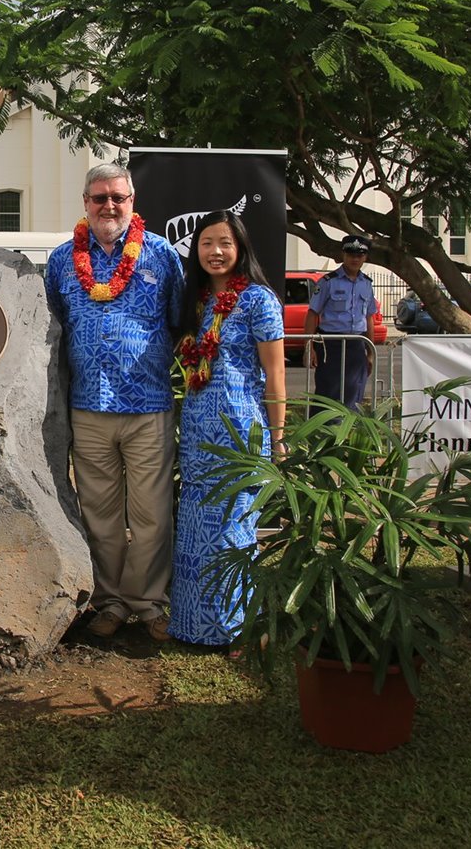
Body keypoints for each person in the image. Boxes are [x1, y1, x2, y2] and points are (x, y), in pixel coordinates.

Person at [45, 162, 185, 642]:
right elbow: (55, 327)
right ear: (85, 202)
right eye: (99, 197)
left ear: (132, 201)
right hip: (88, 407)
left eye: (118, 198)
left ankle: (148, 603)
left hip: (147, 406)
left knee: (151, 513)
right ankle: (108, 602)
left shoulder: (162, 256)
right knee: (99, 514)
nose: (109, 206)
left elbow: (176, 320)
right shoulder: (63, 260)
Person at [169, 209, 286, 649]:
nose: (215, 252)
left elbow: (275, 375)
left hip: (241, 431)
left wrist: (278, 438)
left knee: (234, 525)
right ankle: (192, 625)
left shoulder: (258, 300)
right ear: (195, 250)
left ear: (240, 250)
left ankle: (234, 625)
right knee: (197, 524)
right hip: (198, 428)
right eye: (206, 244)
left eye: (225, 244)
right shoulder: (194, 302)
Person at [303, 235, 378, 410]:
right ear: (343, 255)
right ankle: (322, 433)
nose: (355, 259)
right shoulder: (328, 282)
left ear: (365, 257)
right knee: (328, 391)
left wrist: (370, 352)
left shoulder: (366, 284)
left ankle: (347, 433)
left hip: (357, 343)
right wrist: (309, 346)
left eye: (360, 255)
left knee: (355, 390)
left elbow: (369, 317)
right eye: (351, 254)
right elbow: (313, 314)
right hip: (331, 344)